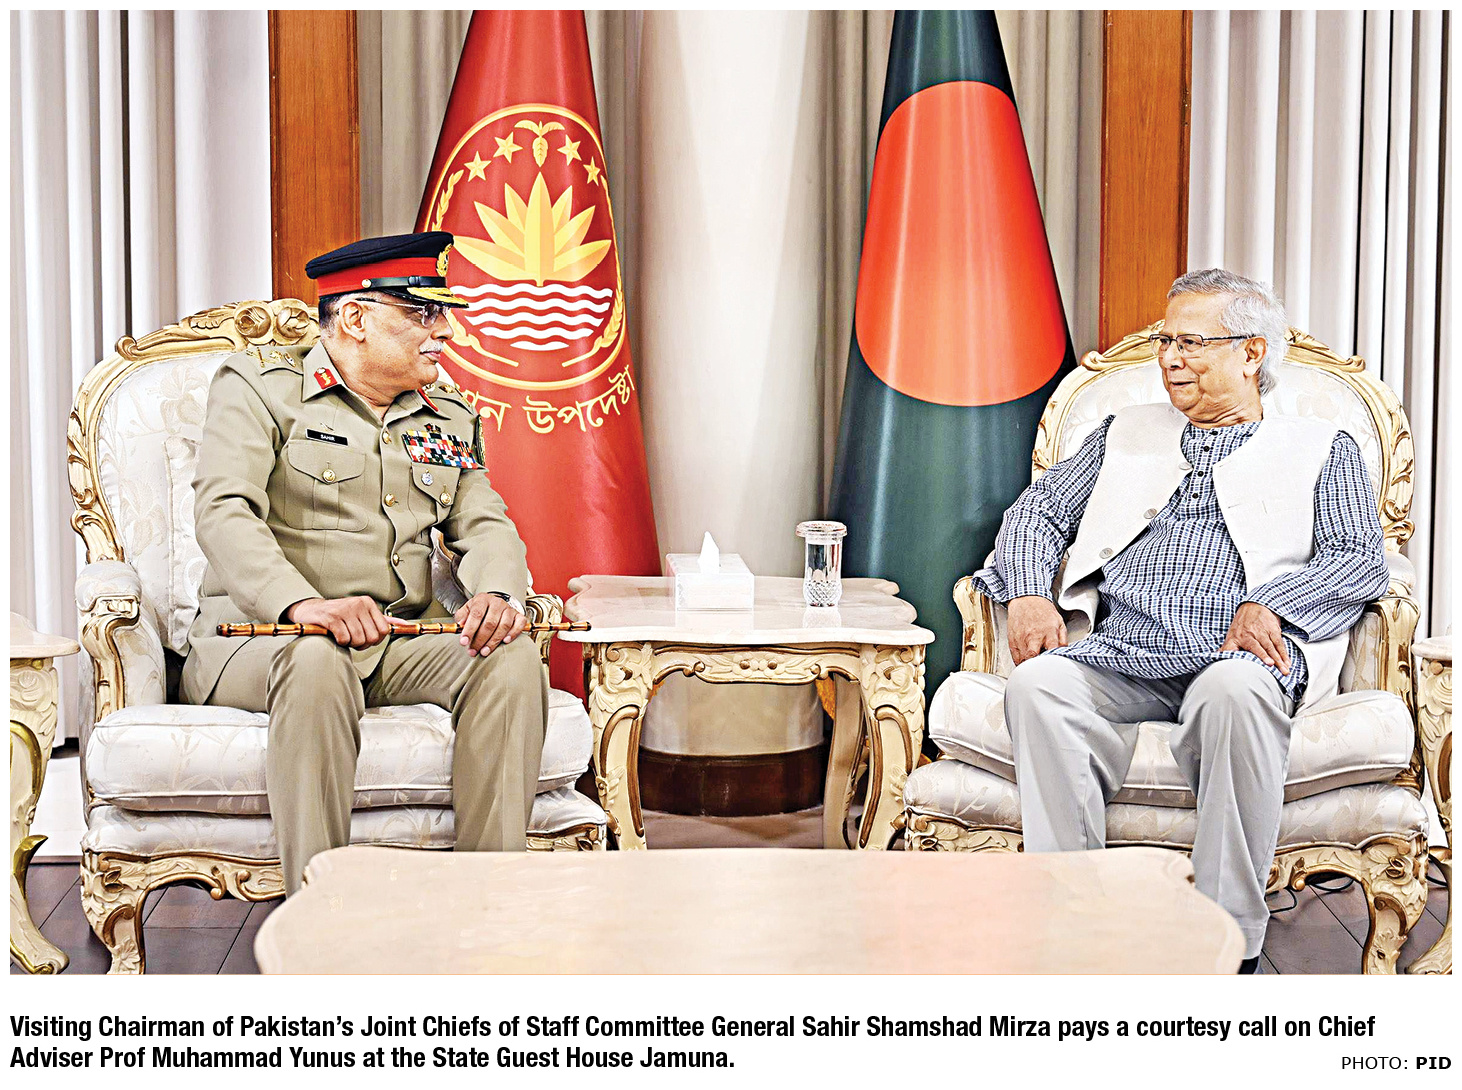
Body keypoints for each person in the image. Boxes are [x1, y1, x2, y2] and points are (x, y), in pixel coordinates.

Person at [973, 268, 1390, 971]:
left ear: (1252, 353)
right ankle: (1072, 924)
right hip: (1121, 651)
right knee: (1038, 685)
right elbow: (1035, 514)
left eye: (1191, 343)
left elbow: (1359, 559)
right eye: (1166, 341)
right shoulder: (1124, 432)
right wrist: (1029, 593)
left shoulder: (1321, 446)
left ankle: (1229, 941)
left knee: (1235, 692)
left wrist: (1275, 603)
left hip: (1237, 658)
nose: (1169, 358)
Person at [181, 231, 546, 893]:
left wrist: (497, 595)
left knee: (510, 656)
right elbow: (223, 510)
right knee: (317, 658)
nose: (445, 331)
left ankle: (489, 903)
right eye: (422, 313)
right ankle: (320, 913)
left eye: (443, 314)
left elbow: (484, 522)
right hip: (268, 639)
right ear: (355, 317)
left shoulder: (447, 416)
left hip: (397, 640)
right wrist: (303, 606)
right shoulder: (261, 389)